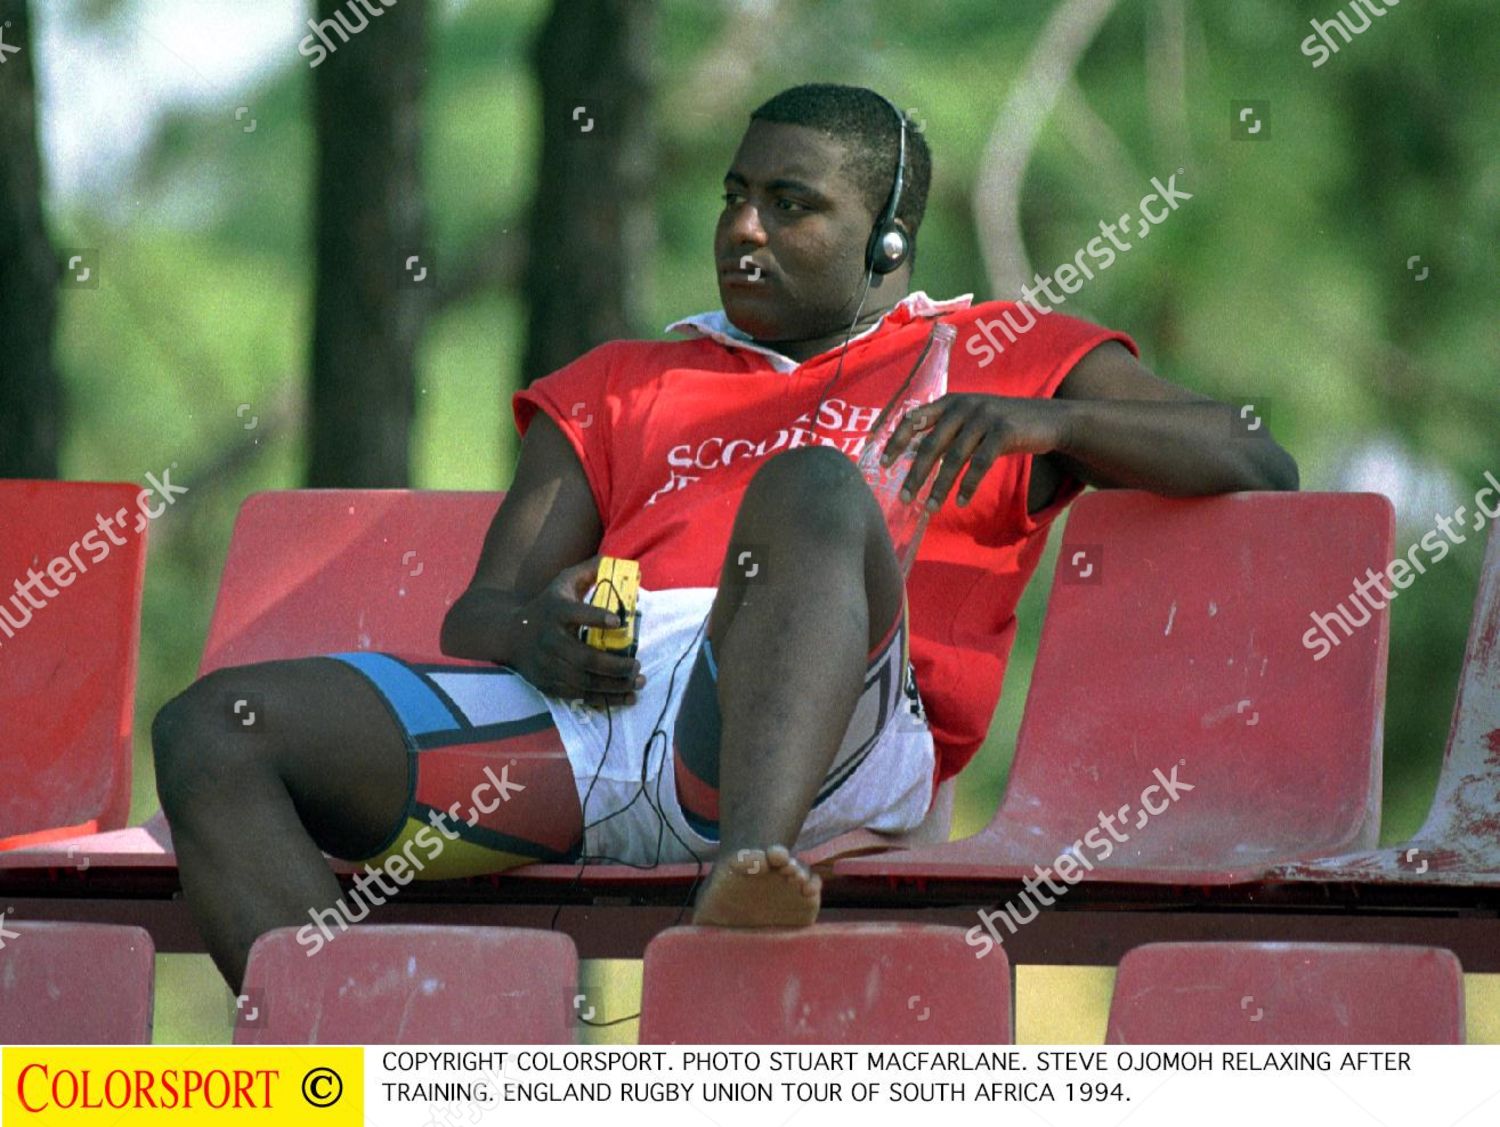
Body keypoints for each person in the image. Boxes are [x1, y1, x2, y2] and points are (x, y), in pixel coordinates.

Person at [152, 83, 1297, 991]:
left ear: (887, 240)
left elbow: (1254, 453)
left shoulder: (996, 347)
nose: (744, 226)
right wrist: (539, 633)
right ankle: (347, 1057)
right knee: (214, 729)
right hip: (592, 736)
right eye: (734, 193)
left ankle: (753, 866)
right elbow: (480, 613)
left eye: (792, 204)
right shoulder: (621, 380)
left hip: (812, 735)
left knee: (809, 490)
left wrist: (1053, 418)